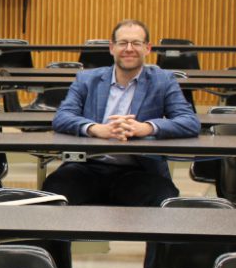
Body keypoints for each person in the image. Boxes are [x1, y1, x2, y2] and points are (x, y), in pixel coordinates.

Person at [42, 19, 201, 206]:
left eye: (136, 43)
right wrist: (94, 128)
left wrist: (147, 128)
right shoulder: (86, 79)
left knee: (164, 199)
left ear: (148, 48)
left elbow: (189, 121)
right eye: (122, 43)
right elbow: (62, 117)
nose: (129, 48)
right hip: (87, 166)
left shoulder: (163, 80)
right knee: (54, 190)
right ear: (112, 48)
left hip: (140, 170)